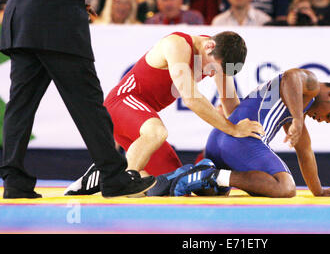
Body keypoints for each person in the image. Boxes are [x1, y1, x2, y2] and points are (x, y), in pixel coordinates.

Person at [0, 0, 156, 199]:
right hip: (58, 28)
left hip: (23, 22)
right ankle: (114, 176)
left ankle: (14, 181)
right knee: (88, 104)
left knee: (20, 106)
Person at [64, 31, 265, 195]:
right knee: (157, 132)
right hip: (122, 103)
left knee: (171, 185)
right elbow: (191, 98)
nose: (212, 74)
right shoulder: (177, 44)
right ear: (209, 45)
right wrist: (232, 129)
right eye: (212, 68)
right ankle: (119, 179)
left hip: (139, 120)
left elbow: (230, 101)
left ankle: (106, 172)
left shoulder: (220, 58)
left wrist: (245, 135)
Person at [170, 68, 330, 198]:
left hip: (218, 140)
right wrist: (298, 119)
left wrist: (318, 191)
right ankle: (211, 175)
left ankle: (199, 174)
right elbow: (290, 77)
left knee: (218, 192)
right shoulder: (311, 84)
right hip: (243, 139)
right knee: (285, 187)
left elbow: (305, 152)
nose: (322, 120)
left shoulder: (296, 106)